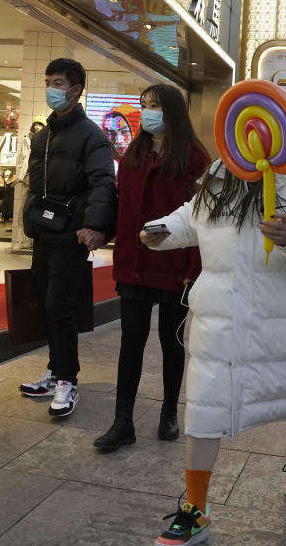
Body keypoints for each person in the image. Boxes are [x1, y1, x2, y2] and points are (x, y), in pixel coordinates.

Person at [143, 150, 286, 546]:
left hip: (282, 318)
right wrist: (163, 228)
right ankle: (196, 509)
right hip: (219, 315)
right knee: (204, 407)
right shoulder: (223, 167)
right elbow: (194, 215)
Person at [93, 84, 210, 450]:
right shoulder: (135, 153)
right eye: (144, 105)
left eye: (154, 106)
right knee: (131, 341)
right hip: (135, 262)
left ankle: (169, 412)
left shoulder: (194, 159)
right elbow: (122, 204)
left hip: (175, 267)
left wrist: (194, 267)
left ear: (172, 111)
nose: (147, 112)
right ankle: (122, 421)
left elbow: (202, 219)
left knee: (171, 343)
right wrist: (101, 230)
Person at [18, 58, 116, 417]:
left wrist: (95, 225)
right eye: (48, 82)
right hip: (45, 233)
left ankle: (67, 380)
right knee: (46, 303)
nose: (51, 89)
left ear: (76, 90)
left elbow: (103, 184)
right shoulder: (43, 135)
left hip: (72, 235)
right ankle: (54, 369)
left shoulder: (92, 136)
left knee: (60, 306)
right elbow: (36, 185)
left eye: (58, 83)